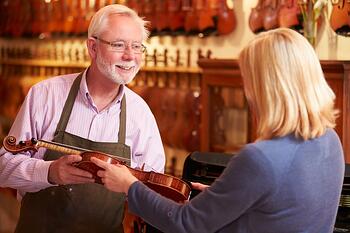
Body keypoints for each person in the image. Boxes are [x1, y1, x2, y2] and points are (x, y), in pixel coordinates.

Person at [91, 28, 345, 233]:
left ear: (266, 87)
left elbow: (186, 223)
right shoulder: (330, 139)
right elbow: (284, 207)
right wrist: (225, 196)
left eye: (248, 80)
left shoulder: (260, 158)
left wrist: (129, 185)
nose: (248, 92)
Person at [0, 4, 165, 233]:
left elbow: (153, 194)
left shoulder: (141, 114)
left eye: (137, 46)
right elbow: (3, 167)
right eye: (118, 45)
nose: (130, 56)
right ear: (93, 47)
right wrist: (49, 172)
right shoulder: (45, 95)